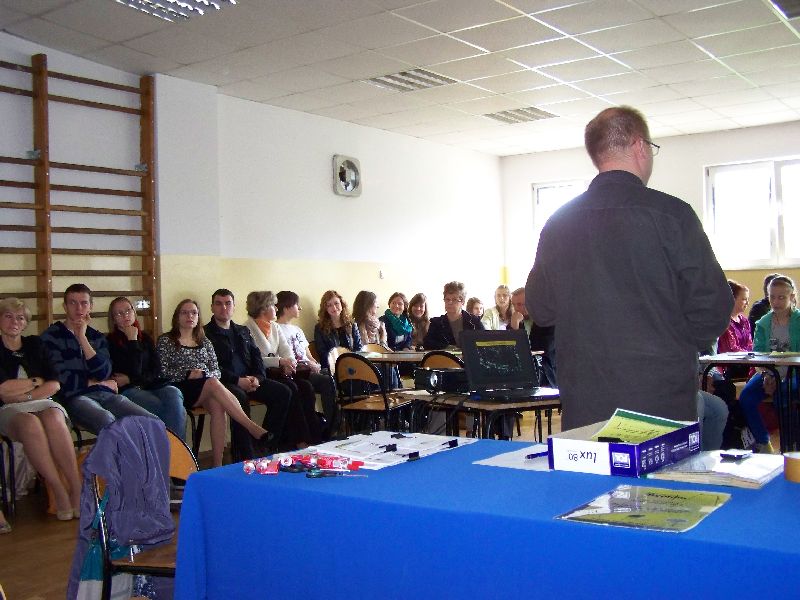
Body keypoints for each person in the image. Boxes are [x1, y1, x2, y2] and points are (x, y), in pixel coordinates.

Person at [526, 106, 732, 430]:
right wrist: (675, 344)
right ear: (640, 147)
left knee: (591, 466)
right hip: (661, 399)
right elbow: (714, 307)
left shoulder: (558, 223)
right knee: (661, 467)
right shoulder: (673, 215)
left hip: (585, 398)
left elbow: (541, 308)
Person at [157, 298, 273, 467]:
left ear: (198, 317)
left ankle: (217, 465)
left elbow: (216, 371)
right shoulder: (166, 340)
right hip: (178, 389)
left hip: (205, 387)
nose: (190, 316)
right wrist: (188, 374)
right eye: (185, 313)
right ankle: (252, 427)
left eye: (194, 313)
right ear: (177, 317)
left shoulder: (204, 341)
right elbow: (161, 371)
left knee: (218, 407)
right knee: (212, 383)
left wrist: (203, 374)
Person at [0, 297, 81, 520]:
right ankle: (58, 489)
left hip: (41, 402)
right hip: (8, 409)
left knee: (54, 416)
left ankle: (76, 487)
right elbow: (4, 390)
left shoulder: (35, 344)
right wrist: (36, 381)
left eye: (20, 318)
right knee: (30, 423)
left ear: (26, 323)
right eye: (8, 316)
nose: (14, 322)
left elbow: (54, 383)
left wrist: (25, 393)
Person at [203, 290, 310, 453]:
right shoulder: (205, 334)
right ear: (212, 307)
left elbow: (257, 359)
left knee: (284, 392)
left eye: (228, 303)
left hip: (251, 379)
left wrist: (258, 378)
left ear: (234, 306)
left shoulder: (242, 331)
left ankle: (266, 444)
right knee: (240, 397)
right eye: (218, 304)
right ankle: (244, 453)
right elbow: (211, 367)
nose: (223, 308)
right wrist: (238, 380)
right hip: (225, 383)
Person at [40, 284, 154, 434]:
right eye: (73, 303)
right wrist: (94, 382)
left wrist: (82, 338)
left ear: (91, 307)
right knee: (108, 422)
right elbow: (60, 379)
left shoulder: (96, 337)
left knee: (151, 421)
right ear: (65, 306)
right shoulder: (50, 337)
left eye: (84, 303)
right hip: (74, 398)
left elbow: (103, 372)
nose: (79, 308)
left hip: (105, 394)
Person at [243, 291, 322, 445]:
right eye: (273, 305)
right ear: (264, 308)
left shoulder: (274, 326)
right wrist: (279, 362)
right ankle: (295, 440)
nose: (276, 308)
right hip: (261, 374)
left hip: (279, 373)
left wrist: (289, 363)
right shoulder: (247, 328)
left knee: (306, 387)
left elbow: (287, 350)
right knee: (290, 388)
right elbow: (254, 360)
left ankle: (313, 436)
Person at [106, 296, 186, 437]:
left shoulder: (145, 338)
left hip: (151, 385)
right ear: (113, 319)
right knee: (164, 407)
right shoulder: (110, 342)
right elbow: (133, 370)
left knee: (174, 393)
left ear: (134, 312)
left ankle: (176, 449)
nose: (125, 315)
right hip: (128, 391)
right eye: (119, 313)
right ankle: (174, 448)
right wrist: (132, 341)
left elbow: (156, 369)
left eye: (128, 310)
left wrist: (131, 379)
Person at [738, 275, 800, 454]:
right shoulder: (763, 323)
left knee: (784, 394)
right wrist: (766, 375)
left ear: (792, 297)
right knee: (747, 397)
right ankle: (763, 442)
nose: (776, 302)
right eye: (772, 297)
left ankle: (791, 443)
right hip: (769, 371)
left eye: (781, 297)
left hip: (795, 372)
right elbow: (758, 354)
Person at [275, 290, 336, 426]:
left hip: (309, 369)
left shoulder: (297, 330)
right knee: (327, 381)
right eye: (297, 305)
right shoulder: (275, 329)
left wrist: (316, 365)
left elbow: (308, 355)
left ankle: (339, 421)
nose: (300, 308)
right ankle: (331, 426)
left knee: (335, 374)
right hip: (296, 372)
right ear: (287, 307)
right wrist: (309, 365)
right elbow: (281, 358)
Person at [509, 287, 556, 387]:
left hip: (546, 373)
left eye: (520, 304)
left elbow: (543, 348)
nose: (516, 308)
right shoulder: (515, 321)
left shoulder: (546, 321)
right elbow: (509, 350)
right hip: (522, 374)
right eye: (514, 304)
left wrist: (517, 332)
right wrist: (514, 328)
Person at [424, 281, 484, 350]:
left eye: (454, 299)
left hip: (469, 356)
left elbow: (485, 343)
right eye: (447, 299)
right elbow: (427, 343)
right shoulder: (436, 323)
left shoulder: (475, 321)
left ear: (463, 302)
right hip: (445, 356)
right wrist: (447, 347)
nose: (450, 302)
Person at [314, 290, 362, 371]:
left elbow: (358, 348)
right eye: (329, 305)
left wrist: (352, 362)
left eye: (336, 303)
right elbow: (322, 354)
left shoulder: (352, 324)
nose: (334, 308)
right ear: (325, 308)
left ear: (342, 304)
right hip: (332, 367)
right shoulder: (320, 328)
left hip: (353, 365)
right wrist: (339, 364)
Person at [717, 280, 753, 379]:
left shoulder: (744, 320)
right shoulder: (724, 321)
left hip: (746, 361)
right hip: (730, 366)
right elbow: (730, 349)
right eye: (744, 299)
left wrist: (752, 354)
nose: (747, 303)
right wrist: (750, 355)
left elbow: (750, 344)